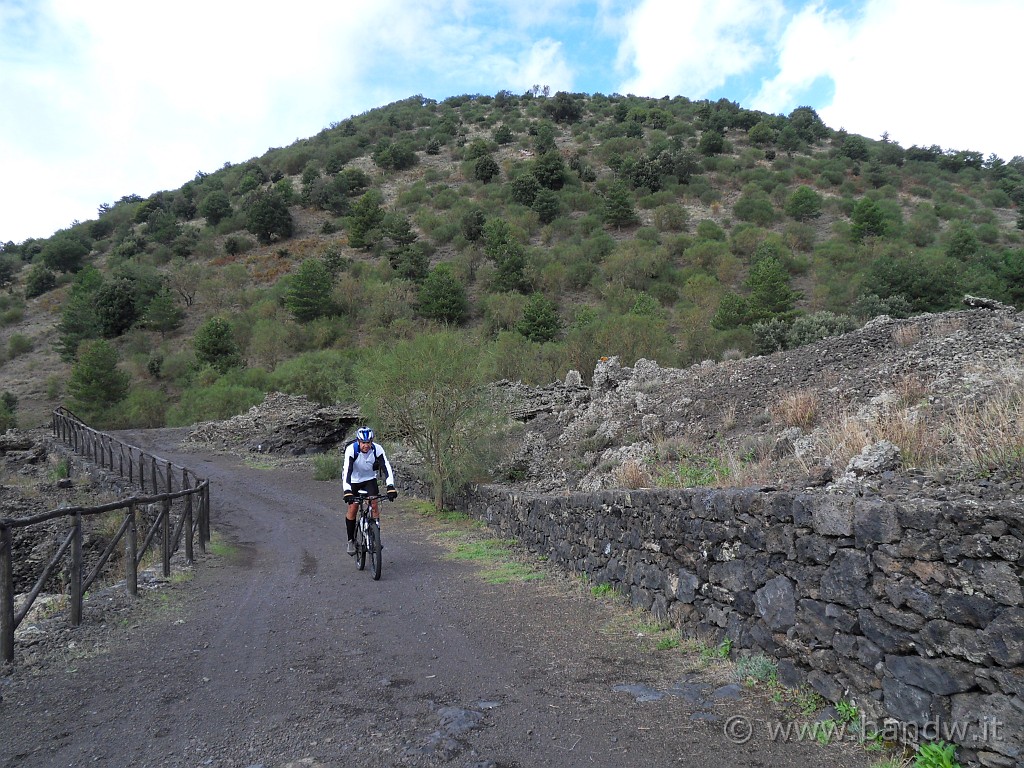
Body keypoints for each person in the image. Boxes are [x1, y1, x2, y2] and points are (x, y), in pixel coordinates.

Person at [341, 426, 397, 555]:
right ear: (358, 442)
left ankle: (375, 536)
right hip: (353, 480)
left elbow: (386, 467)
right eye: (363, 443)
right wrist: (347, 491)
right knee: (353, 508)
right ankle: (351, 540)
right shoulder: (351, 450)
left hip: (369, 480)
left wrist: (390, 486)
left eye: (368, 442)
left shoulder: (377, 449)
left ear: (371, 442)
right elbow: (347, 471)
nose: (366, 445)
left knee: (374, 504)